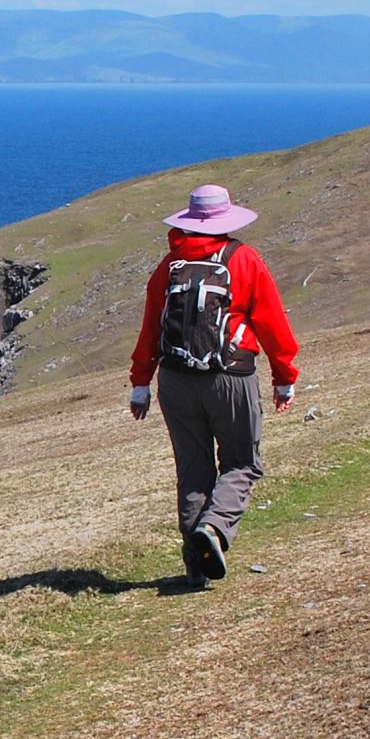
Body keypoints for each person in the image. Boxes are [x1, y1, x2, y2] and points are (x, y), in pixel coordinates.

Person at [127, 184, 299, 584]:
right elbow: (272, 321)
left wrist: (140, 383)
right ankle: (216, 527)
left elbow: (151, 326)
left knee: (193, 470)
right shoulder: (244, 260)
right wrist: (284, 377)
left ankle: (195, 569)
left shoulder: (169, 265)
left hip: (174, 379)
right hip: (230, 376)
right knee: (242, 462)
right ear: (226, 221)